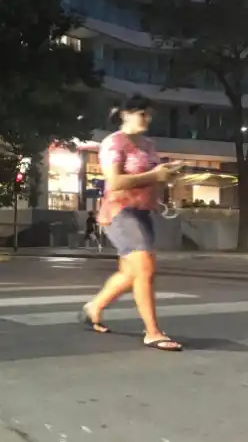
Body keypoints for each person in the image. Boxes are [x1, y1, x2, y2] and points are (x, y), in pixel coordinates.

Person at [78, 95, 183, 352]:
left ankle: (93, 308)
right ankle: (153, 331)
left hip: (143, 212)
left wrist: (166, 179)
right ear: (125, 114)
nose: (147, 118)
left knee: (130, 273)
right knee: (145, 267)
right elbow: (114, 182)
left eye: (149, 114)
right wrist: (154, 174)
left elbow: (153, 178)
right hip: (119, 212)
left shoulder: (148, 145)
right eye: (142, 113)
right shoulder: (114, 143)